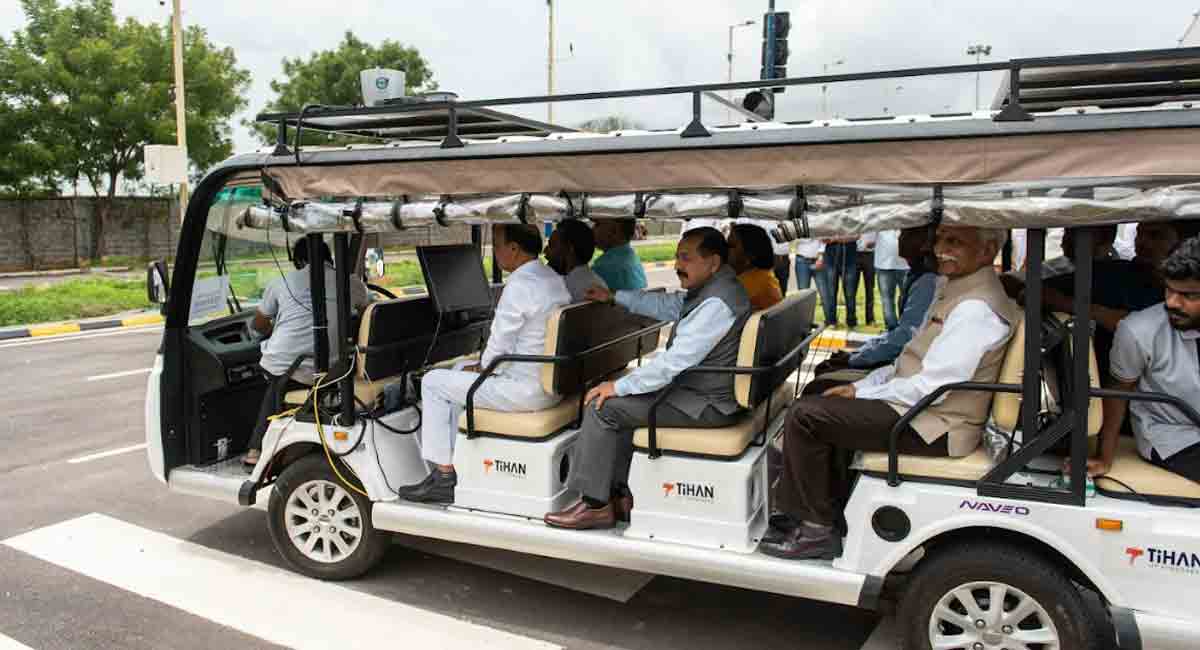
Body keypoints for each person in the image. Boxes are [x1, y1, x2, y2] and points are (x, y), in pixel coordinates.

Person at [762, 225, 1019, 559]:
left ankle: (815, 530)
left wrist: (863, 394)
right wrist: (858, 387)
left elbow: (932, 387)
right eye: (940, 239)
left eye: (954, 241)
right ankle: (823, 510)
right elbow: (907, 362)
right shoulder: (957, 289)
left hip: (937, 423)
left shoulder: (975, 308)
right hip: (925, 410)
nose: (939, 248)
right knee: (824, 398)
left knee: (805, 416)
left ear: (987, 251)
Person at [544, 227, 752, 529]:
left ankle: (594, 505)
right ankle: (619, 495)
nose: (677, 265)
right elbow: (671, 306)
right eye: (676, 257)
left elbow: (671, 364)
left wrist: (617, 386)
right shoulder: (716, 289)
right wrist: (615, 297)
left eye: (686, 258)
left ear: (713, 262)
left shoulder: (717, 303)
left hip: (706, 404)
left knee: (601, 407)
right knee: (621, 401)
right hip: (701, 394)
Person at [394, 224, 571, 503]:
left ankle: (444, 475)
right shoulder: (551, 278)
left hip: (524, 389)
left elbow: (499, 344)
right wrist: (478, 366)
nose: (494, 251)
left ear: (514, 249)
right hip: (548, 383)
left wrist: (481, 366)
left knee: (432, 381)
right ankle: (454, 463)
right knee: (455, 372)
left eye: (497, 245)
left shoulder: (520, 285)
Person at [1083, 236, 1200, 484]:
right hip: (1173, 436)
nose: (1172, 302)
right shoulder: (1139, 330)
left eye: (1188, 295)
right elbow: (1118, 393)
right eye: (1169, 290)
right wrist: (1104, 456)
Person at [244, 239, 370, 466]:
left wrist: (277, 331)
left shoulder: (281, 282)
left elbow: (258, 325)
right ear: (329, 257)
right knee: (286, 373)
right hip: (334, 369)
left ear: (299, 261)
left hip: (292, 368)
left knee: (277, 373)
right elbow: (366, 315)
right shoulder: (352, 283)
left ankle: (256, 449)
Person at [810, 227, 936, 383]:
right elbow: (897, 333)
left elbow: (905, 336)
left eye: (905, 235)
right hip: (896, 359)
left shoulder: (926, 281)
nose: (899, 239)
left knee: (823, 377)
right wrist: (862, 351)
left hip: (903, 368)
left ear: (922, 244)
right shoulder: (917, 275)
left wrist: (856, 358)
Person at [544, 219, 607, 302]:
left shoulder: (566, 288)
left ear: (569, 249)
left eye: (552, 245)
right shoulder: (598, 281)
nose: (545, 251)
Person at [728, 223, 784, 310]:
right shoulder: (763, 276)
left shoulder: (750, 286)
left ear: (749, 256)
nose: (725, 249)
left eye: (731, 245)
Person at [592, 218, 648, 291]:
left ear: (614, 230)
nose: (592, 229)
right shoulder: (631, 256)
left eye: (597, 224)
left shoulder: (604, 266)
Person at [815, 237, 858, 328]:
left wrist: (835, 239)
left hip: (850, 259)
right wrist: (841, 238)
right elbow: (823, 238)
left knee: (850, 293)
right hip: (831, 259)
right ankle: (831, 321)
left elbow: (857, 236)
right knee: (831, 292)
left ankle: (851, 321)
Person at [874, 230, 909, 331]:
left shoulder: (907, 223)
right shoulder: (881, 223)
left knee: (905, 297)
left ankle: (903, 326)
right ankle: (892, 328)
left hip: (904, 265)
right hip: (884, 265)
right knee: (888, 299)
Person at [856, 233, 878, 326]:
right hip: (854, 254)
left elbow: (879, 237)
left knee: (870, 289)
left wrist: (874, 243)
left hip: (869, 255)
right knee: (851, 289)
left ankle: (870, 319)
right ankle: (851, 320)